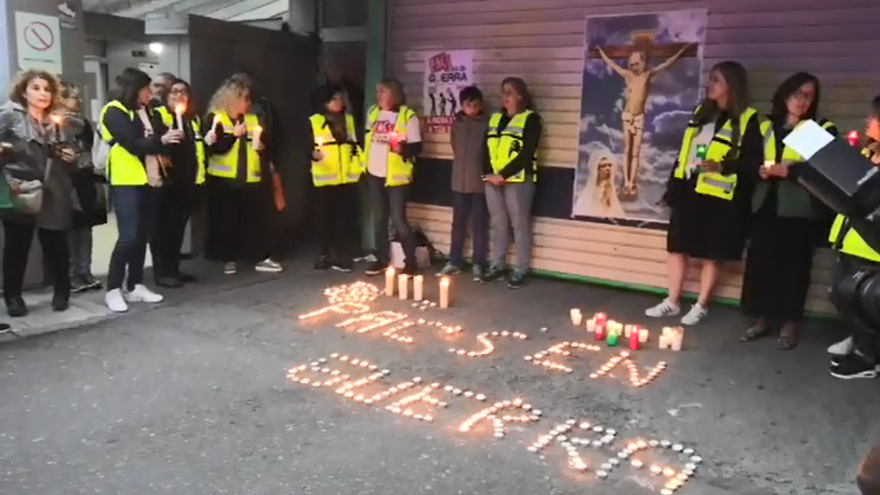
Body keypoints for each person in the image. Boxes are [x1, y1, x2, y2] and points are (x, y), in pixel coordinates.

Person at [645, 61, 764, 325]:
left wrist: (723, 166)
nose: (710, 85)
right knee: (677, 246)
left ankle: (701, 305)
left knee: (713, 252)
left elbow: (752, 162)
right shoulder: (701, 112)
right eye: (711, 79)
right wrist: (672, 186)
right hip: (689, 188)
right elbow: (684, 151)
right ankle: (672, 301)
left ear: (731, 86)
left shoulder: (748, 119)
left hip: (720, 197)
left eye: (716, 80)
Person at [740, 72, 836, 349]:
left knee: (794, 268)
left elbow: (825, 169)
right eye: (799, 94)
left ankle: (789, 323)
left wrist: (790, 171)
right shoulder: (765, 125)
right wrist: (757, 170)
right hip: (764, 204)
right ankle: (760, 319)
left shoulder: (818, 128)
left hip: (799, 209)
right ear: (785, 94)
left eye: (809, 96)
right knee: (760, 264)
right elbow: (745, 159)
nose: (803, 101)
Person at [100, 67, 181, 313]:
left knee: (143, 235)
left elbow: (155, 137)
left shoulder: (147, 111)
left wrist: (167, 137)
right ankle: (113, 288)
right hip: (126, 180)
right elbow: (132, 144)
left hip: (150, 179)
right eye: (146, 89)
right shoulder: (114, 111)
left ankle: (135, 284)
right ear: (134, 89)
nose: (150, 94)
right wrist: (161, 141)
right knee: (128, 236)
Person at [0, 69, 77, 316]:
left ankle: (62, 291)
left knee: (55, 242)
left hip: (52, 187)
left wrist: (69, 155)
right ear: (24, 91)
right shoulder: (10, 115)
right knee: (17, 245)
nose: (42, 93)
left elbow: (68, 151)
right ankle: (13, 296)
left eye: (47, 89)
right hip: (21, 186)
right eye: (36, 88)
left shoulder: (55, 120)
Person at [204, 74, 282, 275]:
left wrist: (263, 145)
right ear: (233, 98)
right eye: (244, 99)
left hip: (251, 176)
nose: (248, 103)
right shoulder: (216, 118)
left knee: (255, 220)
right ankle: (227, 258)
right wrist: (233, 136)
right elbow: (215, 148)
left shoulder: (252, 118)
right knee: (226, 220)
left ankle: (259, 256)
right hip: (224, 179)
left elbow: (265, 143)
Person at [826, 97, 880, 379]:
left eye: (871, 118)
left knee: (858, 297)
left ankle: (867, 353)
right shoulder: (868, 153)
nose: (866, 122)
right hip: (849, 238)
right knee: (839, 292)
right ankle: (859, 338)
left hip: (871, 247)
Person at [597, 43, 692, 199]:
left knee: (635, 152)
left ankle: (631, 182)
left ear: (643, 63)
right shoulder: (628, 75)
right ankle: (626, 180)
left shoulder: (647, 74)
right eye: (631, 64)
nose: (634, 67)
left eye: (637, 63)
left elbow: (666, 64)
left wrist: (680, 52)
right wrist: (601, 52)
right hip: (628, 116)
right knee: (627, 150)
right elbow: (612, 65)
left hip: (639, 117)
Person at [481, 77, 542, 290]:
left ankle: (520, 269)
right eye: (502, 92)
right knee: (498, 224)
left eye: (509, 93)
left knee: (520, 225)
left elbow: (527, 153)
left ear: (521, 96)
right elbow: (485, 149)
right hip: (492, 181)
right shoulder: (495, 119)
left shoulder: (530, 119)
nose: (504, 97)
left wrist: (504, 174)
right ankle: (497, 266)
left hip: (518, 181)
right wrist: (487, 174)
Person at [363, 77, 422, 276]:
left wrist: (402, 149)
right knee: (379, 218)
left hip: (396, 176)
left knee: (398, 219)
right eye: (377, 91)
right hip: (374, 172)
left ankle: (410, 262)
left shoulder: (407, 115)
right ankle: (381, 259)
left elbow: (417, 147)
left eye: (383, 91)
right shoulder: (372, 112)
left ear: (394, 94)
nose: (378, 95)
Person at [152, 79, 205, 287]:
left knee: (177, 230)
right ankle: (161, 272)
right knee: (162, 230)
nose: (179, 96)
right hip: (167, 183)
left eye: (183, 92)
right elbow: (156, 144)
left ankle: (174, 268)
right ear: (166, 95)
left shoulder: (193, 119)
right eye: (174, 92)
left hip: (188, 182)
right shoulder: (159, 116)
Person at [309, 83, 362, 272]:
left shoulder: (348, 120)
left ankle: (341, 255)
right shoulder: (314, 121)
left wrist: (359, 166)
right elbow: (305, 146)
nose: (340, 102)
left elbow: (356, 144)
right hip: (324, 177)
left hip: (346, 177)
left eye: (341, 98)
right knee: (324, 218)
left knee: (343, 218)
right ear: (325, 102)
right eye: (335, 99)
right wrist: (312, 154)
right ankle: (324, 254)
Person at [437, 85, 489, 279]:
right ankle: (454, 261)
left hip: (479, 183)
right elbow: (455, 146)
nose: (473, 109)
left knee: (479, 224)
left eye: (476, 105)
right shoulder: (456, 123)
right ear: (462, 105)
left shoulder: (487, 123)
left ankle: (478, 263)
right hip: (458, 181)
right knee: (458, 224)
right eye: (469, 105)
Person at [60, 81, 107, 293]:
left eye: (79, 97)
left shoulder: (85, 123)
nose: (77, 101)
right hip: (67, 181)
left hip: (86, 178)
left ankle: (85, 270)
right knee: (70, 229)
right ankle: (71, 275)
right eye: (73, 97)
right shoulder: (55, 123)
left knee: (86, 228)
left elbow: (92, 148)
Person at [572, 154, 626, 218]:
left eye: (609, 165)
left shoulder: (612, 191)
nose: (608, 168)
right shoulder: (588, 194)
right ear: (597, 170)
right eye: (603, 166)